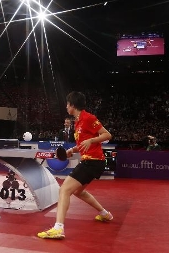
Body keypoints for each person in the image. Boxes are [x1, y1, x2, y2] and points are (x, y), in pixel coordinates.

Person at [37, 91, 112, 240]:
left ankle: (58, 228)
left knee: (64, 189)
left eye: (67, 104)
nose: (66, 106)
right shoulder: (77, 122)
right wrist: (72, 150)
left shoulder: (88, 118)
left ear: (72, 105)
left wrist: (92, 141)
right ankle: (105, 214)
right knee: (78, 192)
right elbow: (82, 143)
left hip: (93, 161)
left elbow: (107, 135)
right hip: (90, 161)